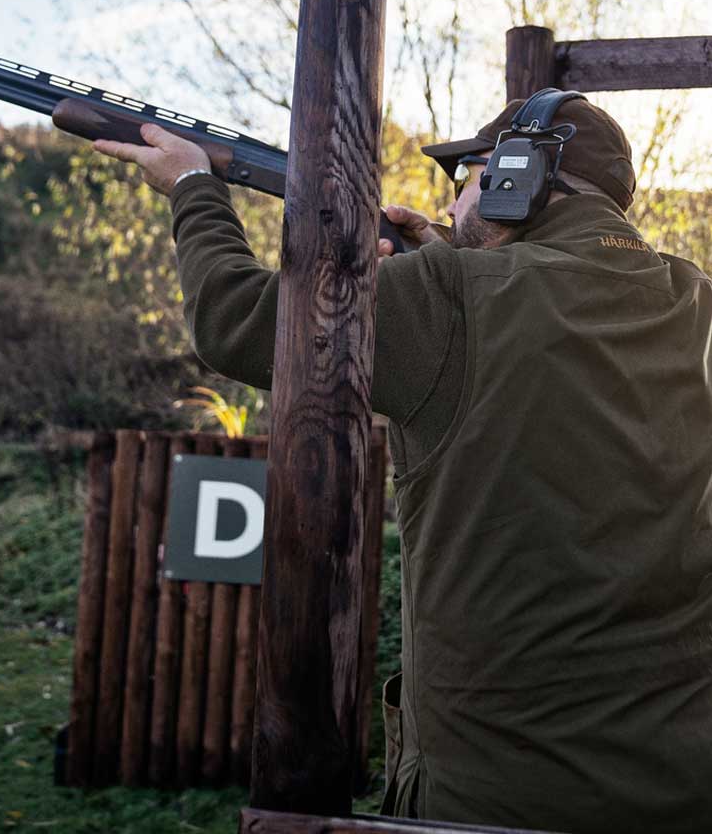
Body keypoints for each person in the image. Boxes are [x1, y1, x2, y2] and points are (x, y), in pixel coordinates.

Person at [94, 91, 712, 833]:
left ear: (519, 175)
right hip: (684, 787)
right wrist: (446, 263)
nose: (455, 203)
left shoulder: (447, 296)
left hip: (494, 798)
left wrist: (194, 188)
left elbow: (238, 325)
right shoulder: (696, 302)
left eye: (470, 178)